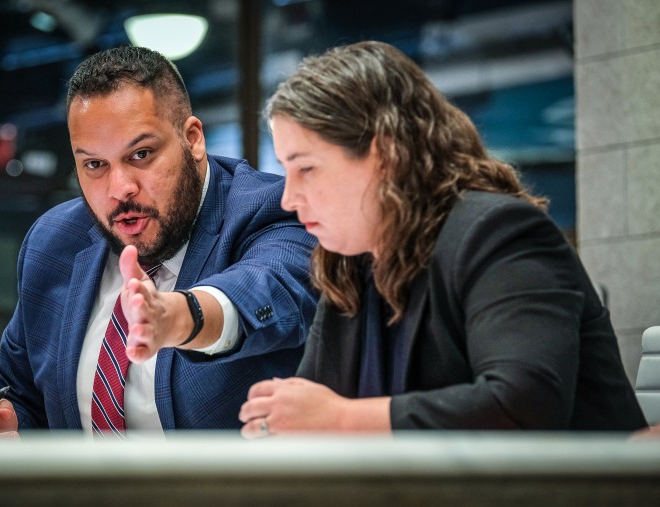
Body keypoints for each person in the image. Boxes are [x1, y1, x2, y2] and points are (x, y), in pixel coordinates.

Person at [239, 40, 648, 437]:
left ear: (386, 156)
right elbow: (316, 409)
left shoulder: (500, 232)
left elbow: (523, 405)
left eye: (306, 169)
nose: (289, 198)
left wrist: (342, 419)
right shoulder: (350, 264)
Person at [0, 45, 317, 438]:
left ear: (192, 139)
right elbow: (19, 390)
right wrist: (9, 425)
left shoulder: (273, 209)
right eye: (94, 165)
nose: (120, 189)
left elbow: (266, 290)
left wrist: (179, 316)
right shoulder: (53, 242)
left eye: (141, 154)